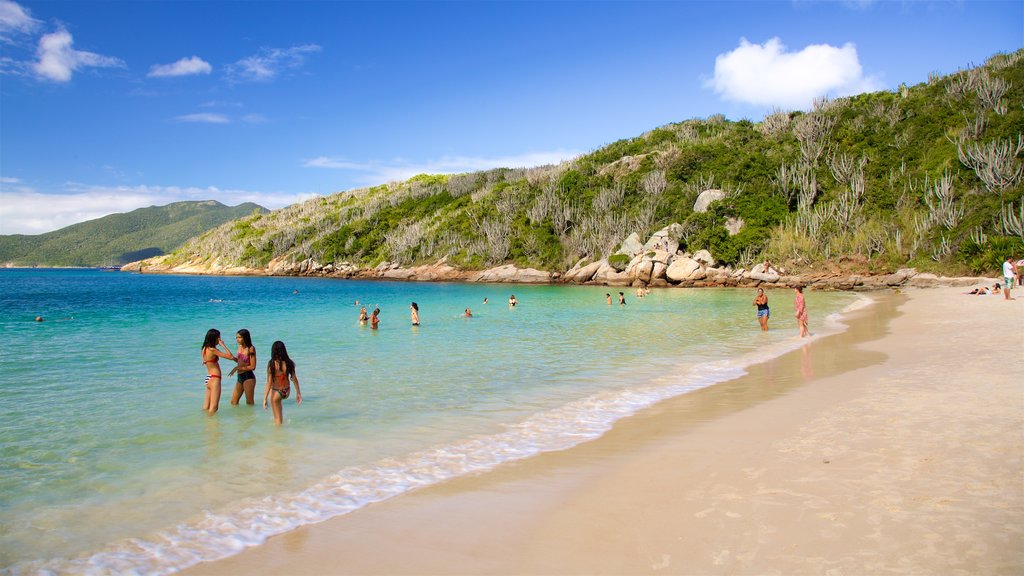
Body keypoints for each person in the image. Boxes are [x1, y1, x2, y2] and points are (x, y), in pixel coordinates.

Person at [263, 340, 302, 426]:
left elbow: (269, 383)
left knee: (277, 420)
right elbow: (294, 379)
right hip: (286, 391)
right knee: (279, 415)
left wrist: (265, 398)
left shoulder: (272, 364)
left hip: (276, 393)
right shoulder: (289, 363)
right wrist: (298, 393)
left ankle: (278, 436)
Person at [201, 329, 236, 415]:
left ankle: (204, 424)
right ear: (214, 338)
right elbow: (230, 356)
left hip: (208, 378)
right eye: (219, 337)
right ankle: (212, 426)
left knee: (206, 407)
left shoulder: (204, 349)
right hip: (214, 378)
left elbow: (205, 361)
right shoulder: (213, 350)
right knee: (214, 408)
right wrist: (223, 345)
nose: (220, 339)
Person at [228, 329, 257, 406]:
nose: (237, 339)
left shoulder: (251, 348)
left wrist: (237, 368)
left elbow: (253, 367)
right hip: (240, 377)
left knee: (249, 402)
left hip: (248, 377)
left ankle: (251, 418)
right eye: (236, 337)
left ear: (245, 337)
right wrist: (233, 358)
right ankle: (239, 418)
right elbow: (241, 362)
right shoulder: (239, 346)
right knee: (233, 402)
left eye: (239, 337)